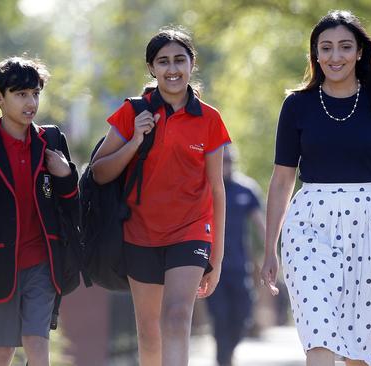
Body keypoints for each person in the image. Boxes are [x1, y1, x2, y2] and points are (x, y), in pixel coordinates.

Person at [260, 10, 371, 366]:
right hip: (308, 223)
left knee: (359, 346)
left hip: (370, 222)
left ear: (359, 53)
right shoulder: (296, 105)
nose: (335, 56)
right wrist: (269, 249)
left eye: (344, 47)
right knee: (318, 330)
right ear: (315, 54)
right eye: (326, 48)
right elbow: (281, 181)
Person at [90, 27, 230, 366]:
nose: (172, 69)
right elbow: (98, 172)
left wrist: (218, 256)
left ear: (191, 64)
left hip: (191, 231)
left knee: (178, 315)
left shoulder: (209, 119)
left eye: (179, 60)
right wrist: (135, 140)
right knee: (149, 332)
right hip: (140, 232)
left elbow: (216, 188)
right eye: (163, 61)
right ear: (152, 68)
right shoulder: (132, 111)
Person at [0, 57, 79, 366]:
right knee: (1, 352)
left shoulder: (51, 140)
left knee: (37, 347)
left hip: (43, 264)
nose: (31, 102)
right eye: (21, 94)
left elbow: (71, 207)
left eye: (35, 93)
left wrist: (66, 176)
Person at [205, 145, 265, 366]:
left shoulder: (246, 189)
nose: (226, 164)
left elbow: (262, 227)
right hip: (211, 271)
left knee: (242, 315)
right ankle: (224, 360)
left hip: (240, 268)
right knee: (220, 319)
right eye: (223, 160)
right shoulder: (206, 188)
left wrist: (270, 253)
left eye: (230, 160)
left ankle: (228, 353)